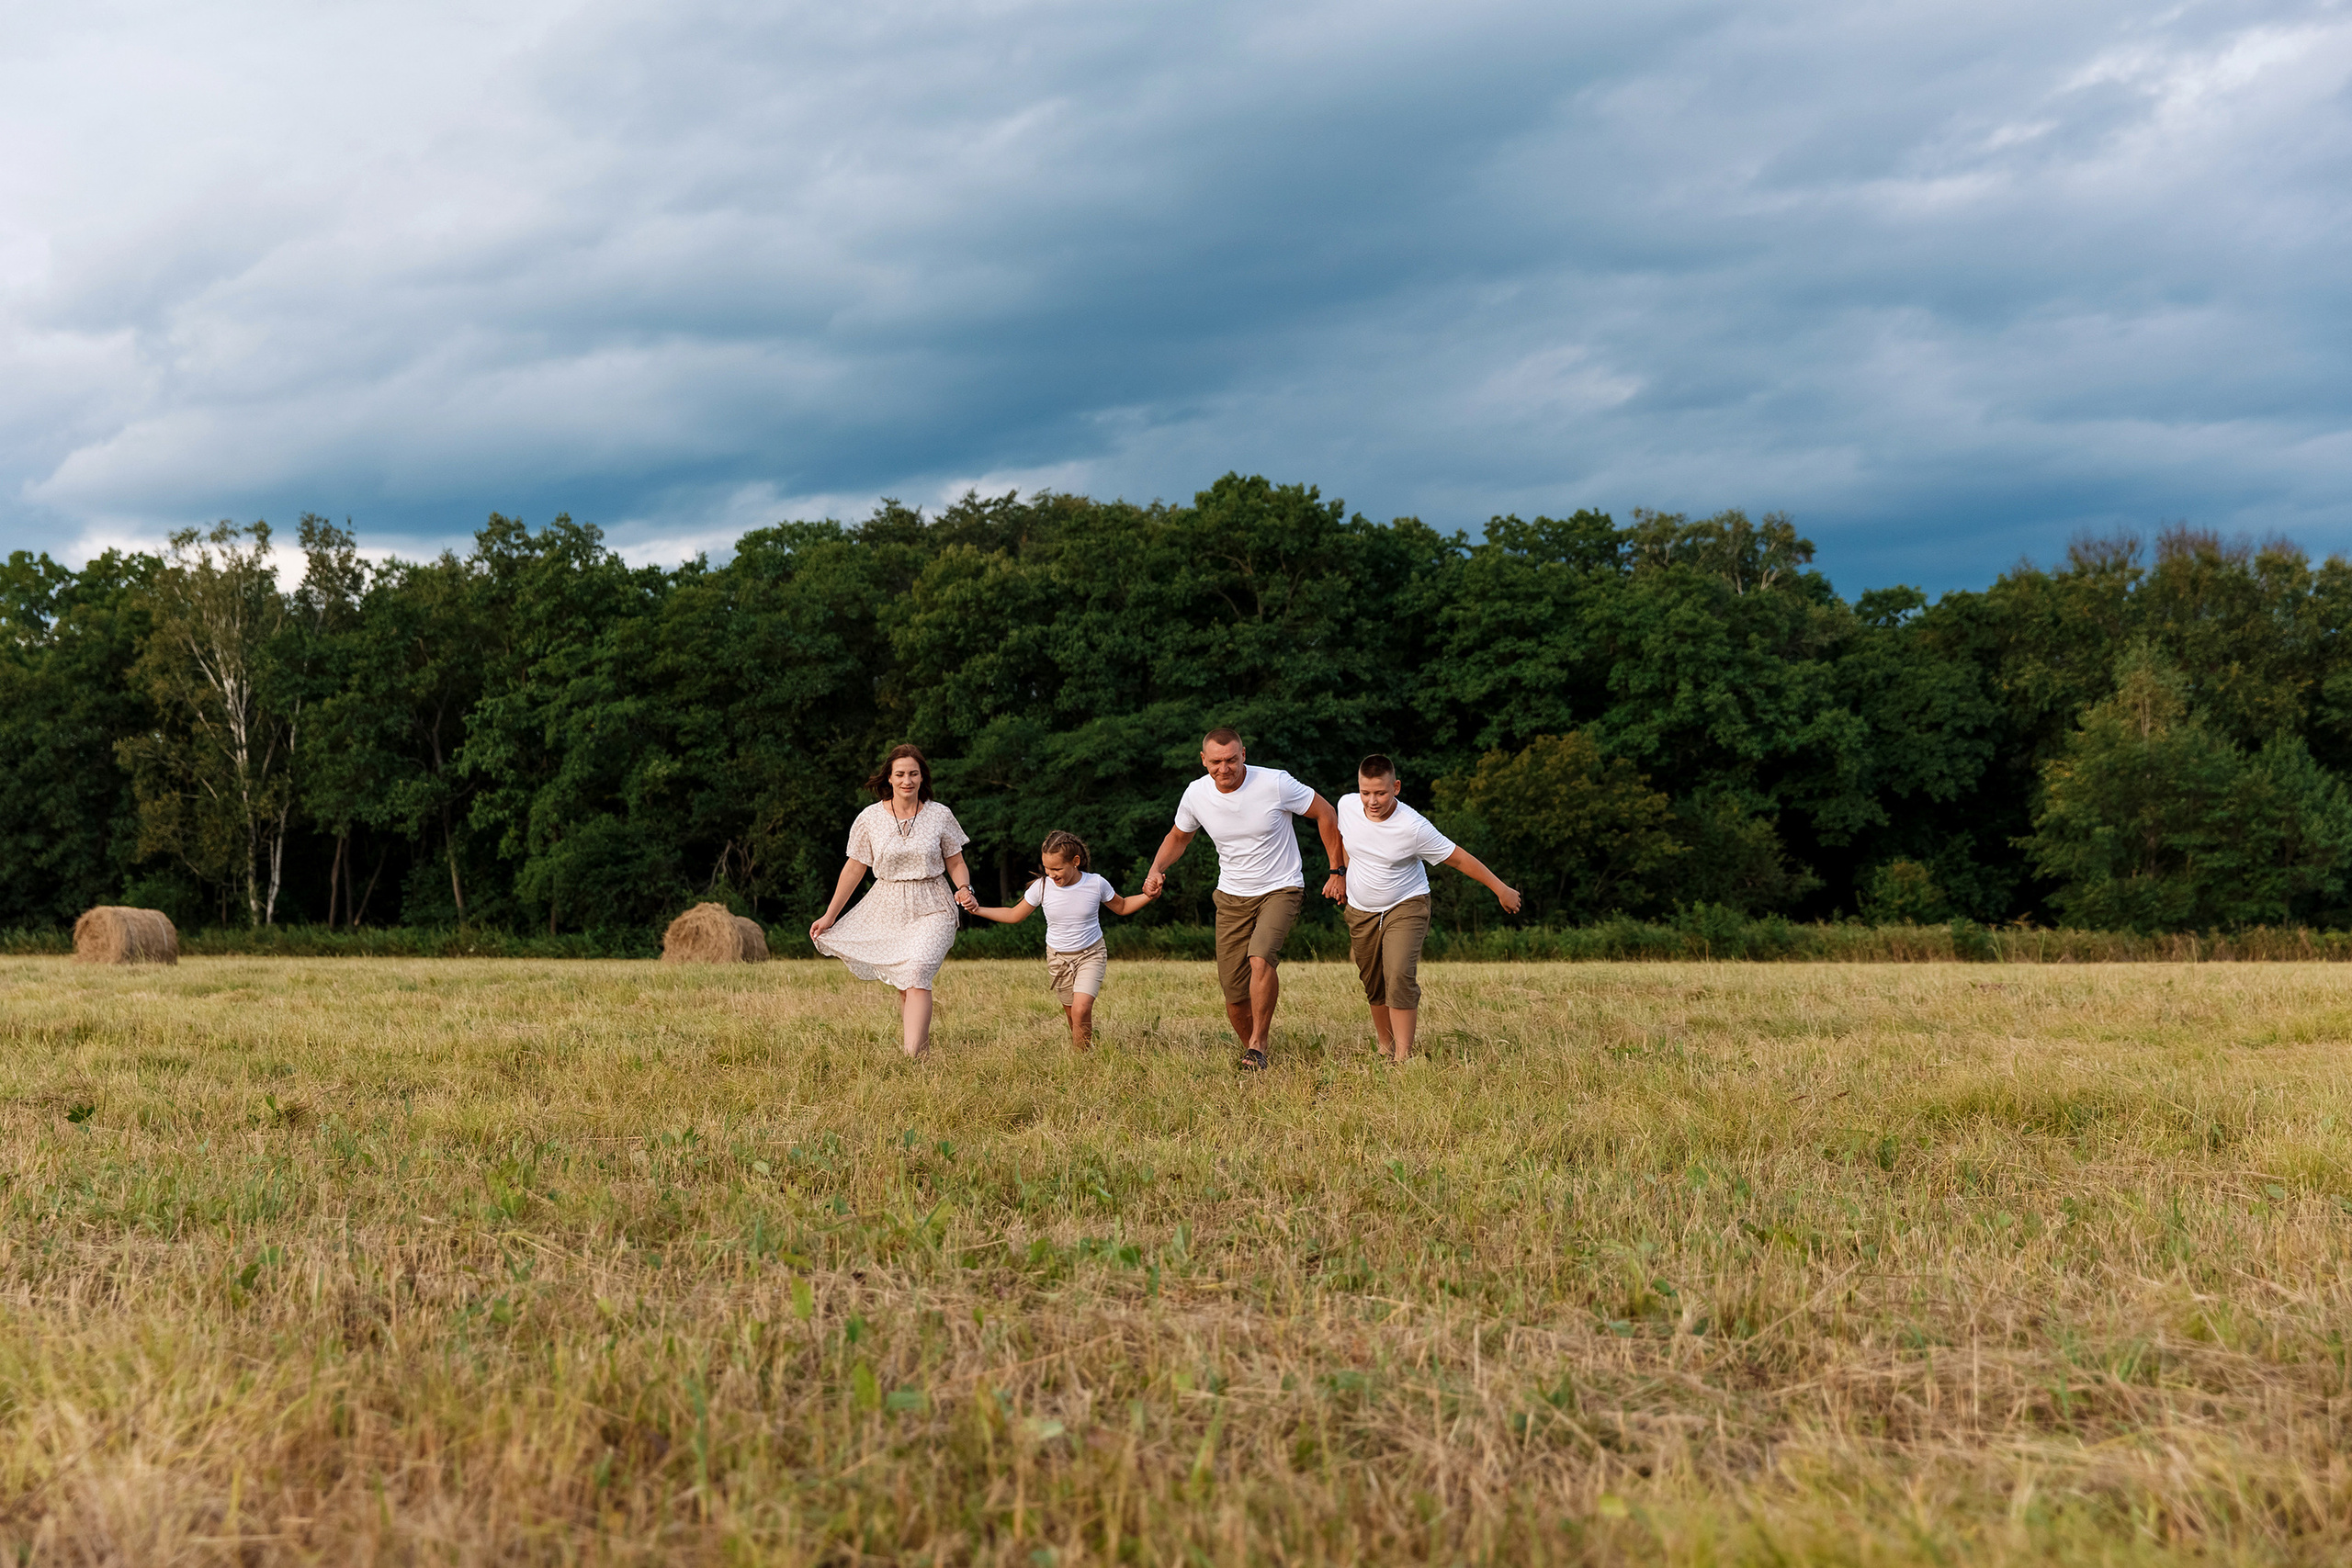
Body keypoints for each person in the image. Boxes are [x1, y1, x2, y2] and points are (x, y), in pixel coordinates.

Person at [1141, 728, 1342, 1071]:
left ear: (1244, 754)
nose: (1225, 768)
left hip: (1281, 887)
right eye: (1216, 762)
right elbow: (1178, 836)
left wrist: (1337, 871)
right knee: (1234, 995)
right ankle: (1256, 1056)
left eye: (1232, 760)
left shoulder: (1275, 783)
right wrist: (1156, 869)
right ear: (1203, 760)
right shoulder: (1196, 794)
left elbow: (1326, 812)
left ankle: (1258, 1043)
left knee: (1260, 957)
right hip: (1232, 895)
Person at [1329, 753, 1521, 1063]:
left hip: (1407, 904)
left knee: (1398, 974)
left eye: (1381, 793)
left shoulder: (1413, 827)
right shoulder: (1347, 805)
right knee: (1372, 980)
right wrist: (1340, 873)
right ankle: (1385, 1047)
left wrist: (1501, 889)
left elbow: (1459, 859)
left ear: (1396, 787)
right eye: (1366, 792)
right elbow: (1343, 837)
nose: (1372, 801)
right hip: (1361, 909)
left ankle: (1403, 1057)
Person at [809, 744, 978, 1057]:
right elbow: (855, 868)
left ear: (922, 777)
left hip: (933, 903)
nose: (907, 780)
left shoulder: (940, 815)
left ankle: (911, 1057)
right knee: (906, 983)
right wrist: (830, 915)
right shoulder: (870, 818)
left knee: (917, 971)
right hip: (887, 905)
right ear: (888, 777)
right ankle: (920, 1054)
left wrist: (964, 888)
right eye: (900, 774)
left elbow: (955, 862)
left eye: (913, 774)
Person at [956, 829, 1157, 1049]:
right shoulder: (1042, 887)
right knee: (1072, 1015)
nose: (1051, 874)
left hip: (1091, 954)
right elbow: (1014, 915)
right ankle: (1083, 1048)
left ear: (1075, 862)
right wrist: (978, 910)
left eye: (1057, 869)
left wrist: (1148, 896)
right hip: (1058, 958)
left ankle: (1081, 1060)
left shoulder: (1096, 884)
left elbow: (1123, 906)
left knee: (1081, 1009)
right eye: (1047, 868)